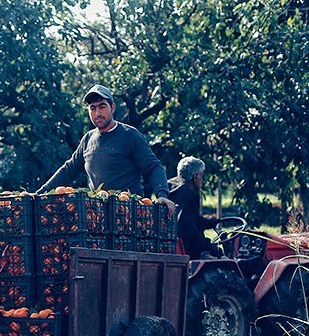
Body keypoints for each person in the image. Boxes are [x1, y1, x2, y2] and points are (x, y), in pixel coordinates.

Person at [37, 84, 175, 213]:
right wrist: (40, 194)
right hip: (96, 215)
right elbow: (69, 170)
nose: (97, 113)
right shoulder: (88, 139)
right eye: (93, 108)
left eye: (102, 106)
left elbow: (153, 167)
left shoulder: (130, 135)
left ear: (112, 107)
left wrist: (162, 194)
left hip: (128, 213)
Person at [168, 156, 221, 259]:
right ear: (195, 177)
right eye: (202, 175)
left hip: (174, 242)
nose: (202, 179)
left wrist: (209, 222)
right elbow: (188, 229)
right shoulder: (186, 194)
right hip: (187, 250)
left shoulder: (173, 187)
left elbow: (189, 218)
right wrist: (210, 247)